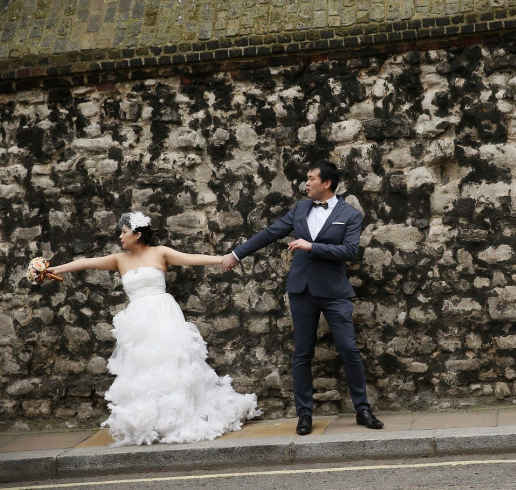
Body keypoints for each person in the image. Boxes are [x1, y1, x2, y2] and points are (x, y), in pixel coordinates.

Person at [48, 211, 261, 447]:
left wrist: (222, 259)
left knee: (172, 364)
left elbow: (190, 258)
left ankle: (179, 418)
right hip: (138, 320)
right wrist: (57, 269)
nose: (120, 236)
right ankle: (153, 422)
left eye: (124, 232)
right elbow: (86, 263)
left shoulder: (160, 253)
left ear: (138, 234)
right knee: (144, 370)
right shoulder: (120, 259)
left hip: (163, 313)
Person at [221, 160, 383, 435]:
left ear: (326, 183)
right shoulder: (299, 208)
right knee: (302, 353)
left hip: (335, 293)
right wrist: (237, 254)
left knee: (349, 349)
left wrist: (312, 246)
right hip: (302, 291)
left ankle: (362, 408)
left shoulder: (350, 214)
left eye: (310, 178)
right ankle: (304, 415)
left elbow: (349, 251)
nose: (306, 183)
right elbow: (270, 233)